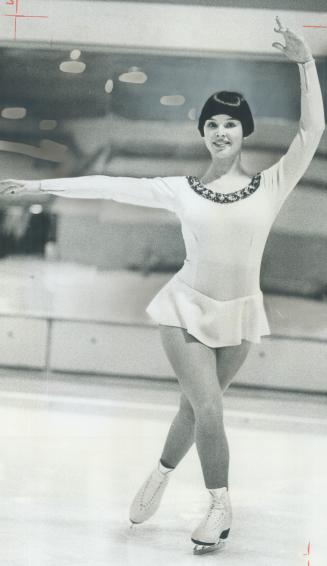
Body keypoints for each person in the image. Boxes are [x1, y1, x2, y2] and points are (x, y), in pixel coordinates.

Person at [0, 16, 324, 556]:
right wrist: (35, 182)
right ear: (202, 132)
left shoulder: (275, 182)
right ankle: (220, 506)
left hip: (241, 314)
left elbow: (312, 131)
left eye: (231, 123)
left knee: (194, 409)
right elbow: (108, 183)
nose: (222, 132)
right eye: (213, 124)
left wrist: (306, 64)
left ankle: (160, 471)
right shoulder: (180, 189)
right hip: (185, 311)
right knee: (211, 410)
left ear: (245, 132)